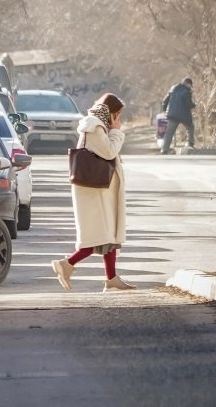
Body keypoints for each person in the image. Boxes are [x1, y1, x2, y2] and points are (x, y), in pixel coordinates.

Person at [51, 93, 136, 292]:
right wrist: (116, 132)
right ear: (110, 113)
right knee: (98, 236)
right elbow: (108, 152)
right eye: (117, 115)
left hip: (99, 191)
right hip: (95, 192)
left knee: (108, 236)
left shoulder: (97, 126)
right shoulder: (95, 127)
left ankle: (111, 278)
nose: (119, 120)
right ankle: (66, 264)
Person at [160, 76, 196, 154]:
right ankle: (190, 143)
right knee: (190, 127)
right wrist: (194, 105)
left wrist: (165, 110)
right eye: (190, 85)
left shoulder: (173, 88)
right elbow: (188, 104)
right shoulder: (187, 91)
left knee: (169, 132)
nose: (190, 87)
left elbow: (165, 101)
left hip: (172, 115)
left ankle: (164, 149)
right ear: (187, 84)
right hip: (183, 115)